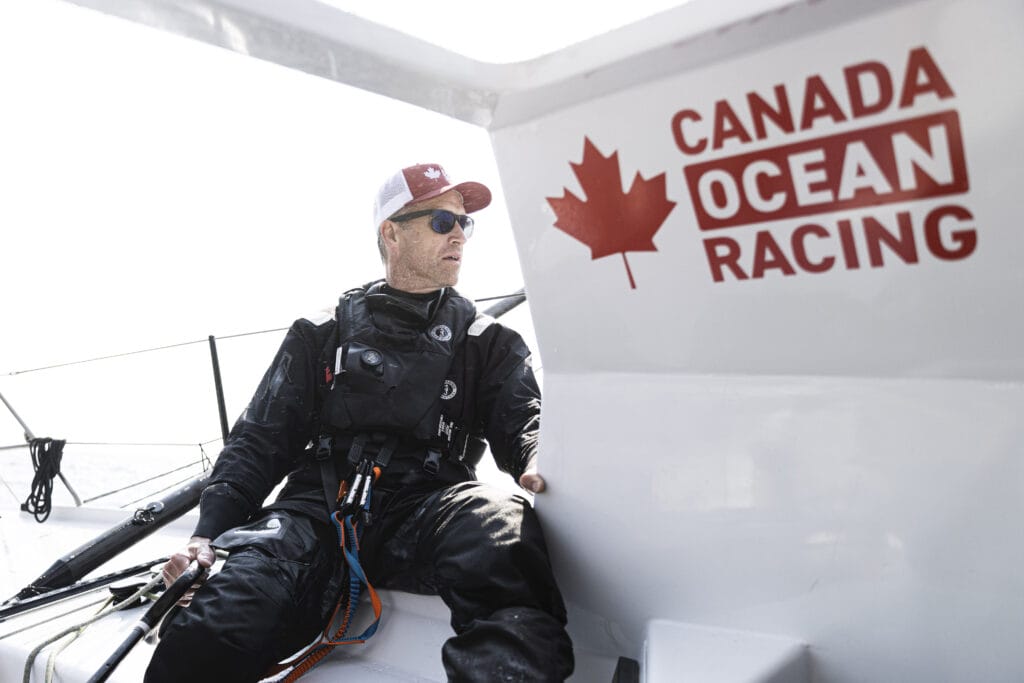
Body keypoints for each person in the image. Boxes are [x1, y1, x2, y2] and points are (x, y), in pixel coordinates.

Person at [145, 163, 574, 682]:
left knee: (499, 527)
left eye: (466, 224)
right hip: (315, 512)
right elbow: (259, 440)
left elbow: (525, 420)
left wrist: (536, 456)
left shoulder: (489, 342)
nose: (460, 234)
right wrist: (207, 535)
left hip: (428, 510)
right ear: (391, 232)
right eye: (442, 221)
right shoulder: (320, 333)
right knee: (214, 624)